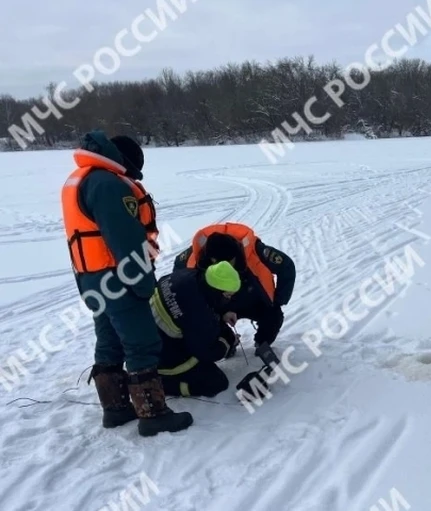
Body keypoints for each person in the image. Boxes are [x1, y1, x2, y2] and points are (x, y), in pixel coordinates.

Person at [60, 130, 193, 436]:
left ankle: (115, 408)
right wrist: (143, 283)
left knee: (109, 340)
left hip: (91, 278)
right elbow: (126, 241)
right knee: (141, 343)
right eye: (132, 171)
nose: (131, 178)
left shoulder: (82, 178)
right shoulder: (108, 185)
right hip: (119, 278)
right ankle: (153, 414)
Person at [173, 222, 295, 351]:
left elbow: (286, 266)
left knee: (273, 316)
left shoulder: (254, 250)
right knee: (202, 323)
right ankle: (227, 345)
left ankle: (261, 343)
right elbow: (178, 278)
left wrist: (278, 300)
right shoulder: (195, 257)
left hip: (251, 299)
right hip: (217, 305)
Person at [150, 261, 242, 397]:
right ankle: (163, 384)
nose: (229, 299)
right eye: (227, 296)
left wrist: (222, 313)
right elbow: (207, 352)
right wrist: (227, 342)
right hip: (159, 354)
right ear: (216, 291)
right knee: (216, 383)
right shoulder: (198, 313)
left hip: (147, 331)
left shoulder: (189, 275)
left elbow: (202, 304)